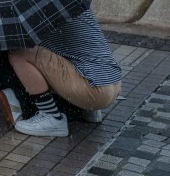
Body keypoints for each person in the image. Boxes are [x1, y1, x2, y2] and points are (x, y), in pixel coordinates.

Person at [7, 9, 122, 137]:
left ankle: (51, 117)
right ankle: (86, 109)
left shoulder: (36, 11)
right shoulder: (63, 0)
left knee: (19, 55)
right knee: (63, 52)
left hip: (91, 88)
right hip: (113, 83)